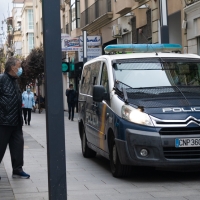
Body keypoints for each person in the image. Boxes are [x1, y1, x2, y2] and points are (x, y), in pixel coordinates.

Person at [0, 57, 30, 179]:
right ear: (12, 67)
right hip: (3, 121)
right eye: (19, 66)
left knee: (18, 145)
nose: (20, 69)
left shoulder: (15, 81)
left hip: (17, 121)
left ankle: (17, 169)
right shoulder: (2, 79)